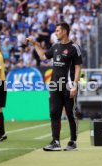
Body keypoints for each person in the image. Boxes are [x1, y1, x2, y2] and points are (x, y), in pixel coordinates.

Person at [26, 22, 83, 151]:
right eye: (56, 31)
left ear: (64, 32)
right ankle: (55, 142)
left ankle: (73, 142)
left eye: (57, 31)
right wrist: (35, 44)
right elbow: (43, 56)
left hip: (68, 86)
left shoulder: (74, 48)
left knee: (70, 113)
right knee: (54, 113)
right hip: (54, 85)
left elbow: (78, 68)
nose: (56, 33)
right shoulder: (55, 46)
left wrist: (74, 85)